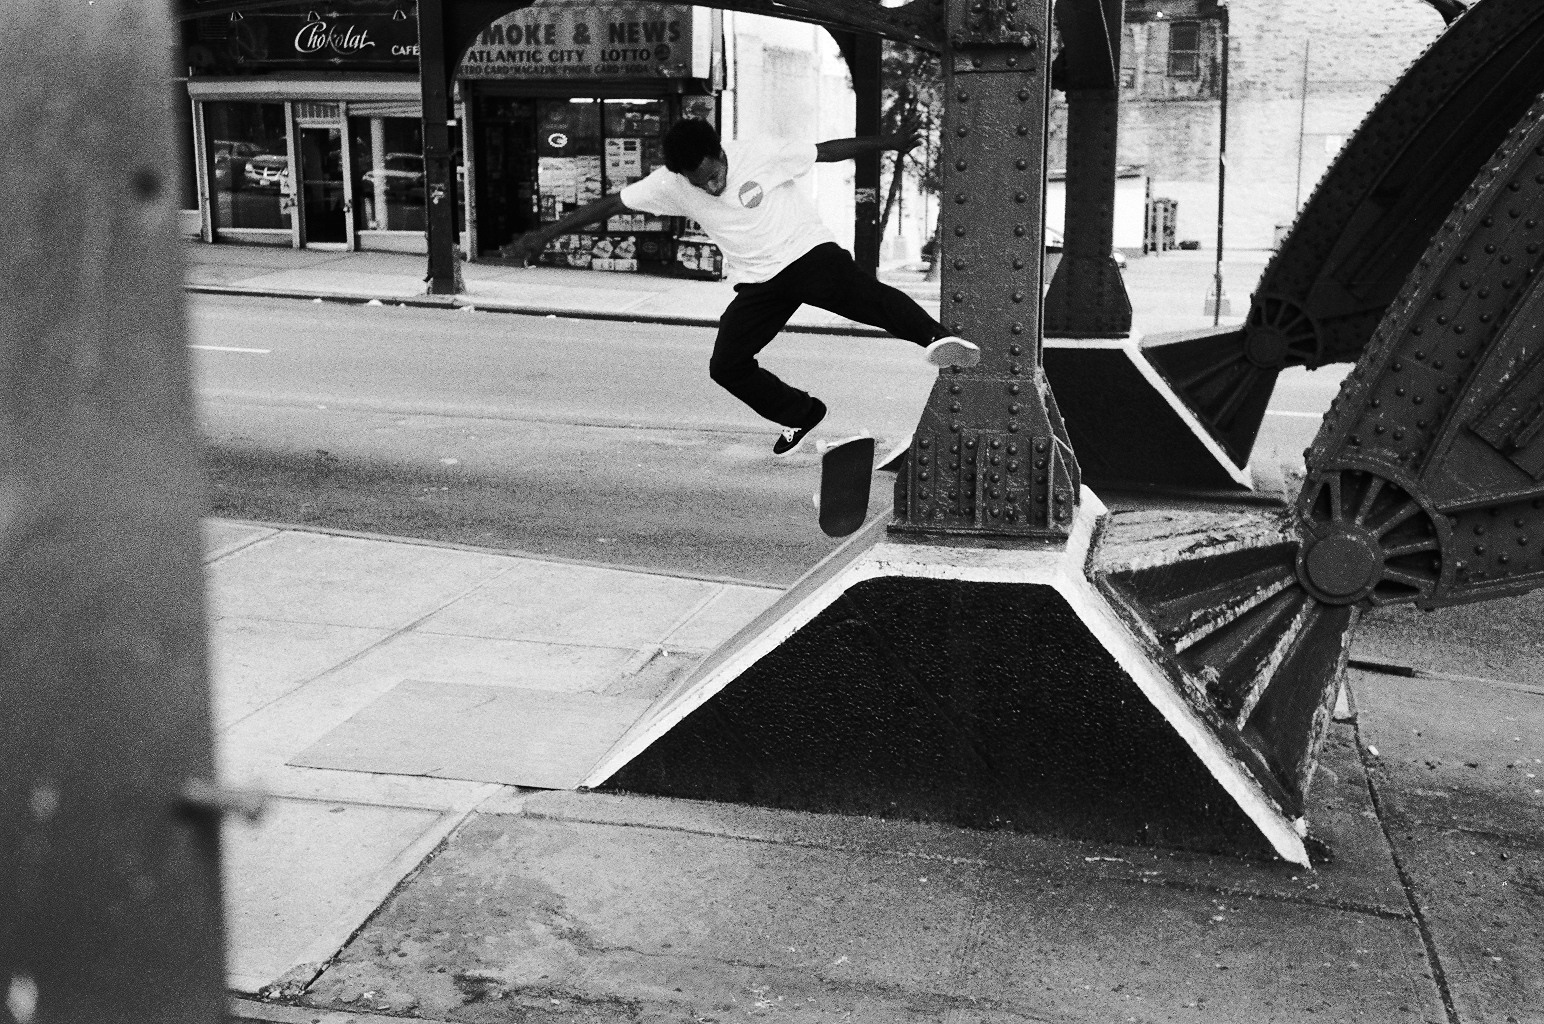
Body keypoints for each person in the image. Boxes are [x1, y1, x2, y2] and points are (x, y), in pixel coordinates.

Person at [501, 118, 980, 457]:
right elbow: (607, 206)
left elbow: (827, 150)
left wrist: (890, 142)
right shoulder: (671, 182)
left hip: (805, 252)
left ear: (721, 153)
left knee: (865, 296)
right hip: (758, 283)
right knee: (726, 366)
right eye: (698, 183)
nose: (709, 188)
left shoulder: (760, 152)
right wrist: (542, 236)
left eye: (714, 176)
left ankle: (935, 338)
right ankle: (802, 412)